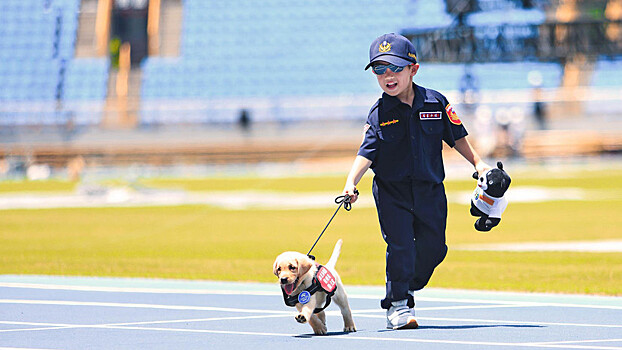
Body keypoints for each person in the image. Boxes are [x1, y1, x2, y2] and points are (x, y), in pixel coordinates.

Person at [342, 33, 491, 330]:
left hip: (430, 191)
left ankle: (407, 284)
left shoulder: (437, 102)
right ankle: (398, 304)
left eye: (395, 68)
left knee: (435, 248)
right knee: (400, 247)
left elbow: (457, 138)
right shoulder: (378, 114)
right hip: (392, 193)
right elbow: (366, 152)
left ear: (413, 69)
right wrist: (350, 183)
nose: (387, 76)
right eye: (379, 70)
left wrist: (478, 164)